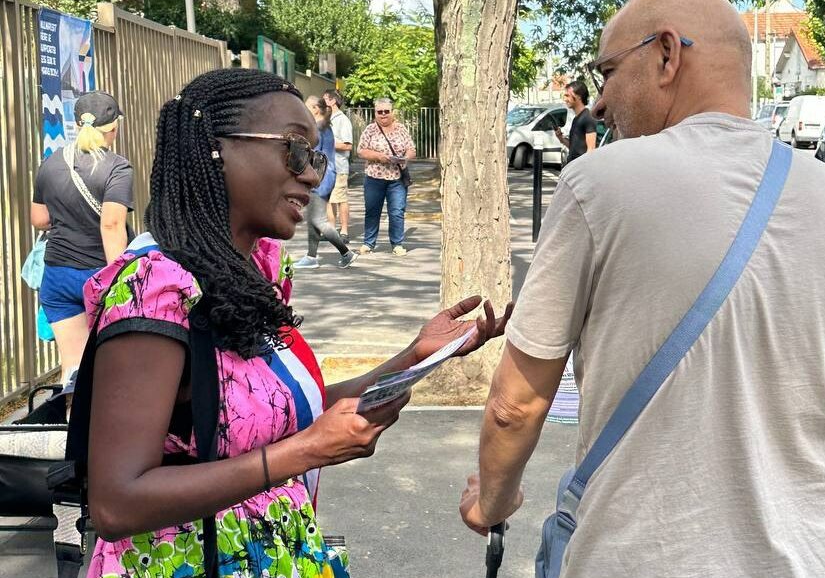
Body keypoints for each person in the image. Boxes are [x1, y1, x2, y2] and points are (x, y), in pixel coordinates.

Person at [459, 0, 825, 577]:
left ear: (667, 54)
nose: (602, 103)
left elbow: (516, 404)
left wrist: (492, 499)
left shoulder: (598, 186)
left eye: (607, 71)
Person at [83, 68, 511, 577]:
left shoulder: (251, 269)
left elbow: (283, 411)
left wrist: (415, 355)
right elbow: (116, 503)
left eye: (316, 155)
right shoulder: (153, 289)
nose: (311, 174)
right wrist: (304, 452)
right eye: (295, 149)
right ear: (215, 149)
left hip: (274, 552)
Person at [30, 90, 133, 385]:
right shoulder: (117, 168)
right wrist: (119, 280)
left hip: (58, 275)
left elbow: (39, 219)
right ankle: (108, 429)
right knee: (112, 367)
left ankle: (71, 425)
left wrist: (68, 217)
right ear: (114, 127)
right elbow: (112, 226)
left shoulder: (51, 164)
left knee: (73, 368)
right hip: (100, 274)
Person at [294, 96, 358, 269]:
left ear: (315, 108)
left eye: (306, 107)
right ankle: (311, 256)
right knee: (314, 218)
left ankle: (346, 253)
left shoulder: (318, 128)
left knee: (318, 220)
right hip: (325, 177)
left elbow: (311, 153)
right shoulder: (323, 126)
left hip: (320, 178)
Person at [357, 97, 415, 256]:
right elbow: (361, 150)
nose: (383, 115)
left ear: (392, 112)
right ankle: (368, 243)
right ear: (375, 113)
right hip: (374, 178)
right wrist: (378, 156)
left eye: (386, 111)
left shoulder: (401, 129)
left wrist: (406, 158)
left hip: (397, 178)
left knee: (397, 211)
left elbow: (411, 149)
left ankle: (397, 244)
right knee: (372, 211)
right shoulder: (370, 129)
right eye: (379, 112)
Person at [324, 89, 353, 243]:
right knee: (329, 200)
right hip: (326, 168)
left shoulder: (342, 120)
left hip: (339, 167)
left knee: (340, 199)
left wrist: (329, 143)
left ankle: (344, 232)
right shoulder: (326, 120)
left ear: (333, 101)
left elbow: (348, 145)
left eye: (325, 99)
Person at [553, 80, 596, 164]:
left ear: (579, 96)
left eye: (567, 96)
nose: (565, 99)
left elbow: (591, 150)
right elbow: (573, 148)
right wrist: (561, 138)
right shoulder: (576, 119)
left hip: (581, 169)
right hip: (572, 166)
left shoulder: (588, 118)